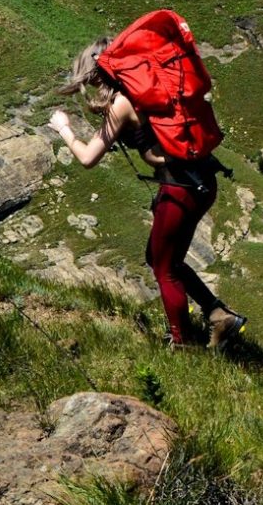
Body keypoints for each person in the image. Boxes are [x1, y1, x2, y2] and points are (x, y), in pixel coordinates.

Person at [48, 39, 247, 350]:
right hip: (200, 180)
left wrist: (64, 130)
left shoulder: (121, 104)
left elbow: (88, 157)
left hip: (180, 188)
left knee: (165, 267)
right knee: (160, 257)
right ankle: (219, 315)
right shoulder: (147, 90)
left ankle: (183, 344)